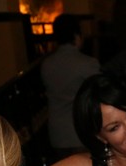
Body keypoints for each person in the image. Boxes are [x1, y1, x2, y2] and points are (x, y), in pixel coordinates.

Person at [41, 13, 99, 158]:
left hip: (56, 133)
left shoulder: (46, 64)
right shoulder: (88, 63)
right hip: (80, 132)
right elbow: (99, 94)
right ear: (76, 35)